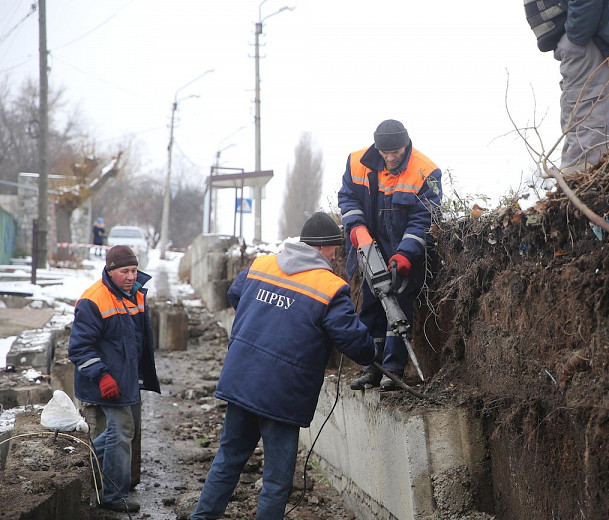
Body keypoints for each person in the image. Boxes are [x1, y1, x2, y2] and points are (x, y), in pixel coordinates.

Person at [190, 212, 377, 520]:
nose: (336, 254)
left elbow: (235, 294)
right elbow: (352, 341)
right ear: (324, 248)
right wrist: (373, 353)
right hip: (283, 395)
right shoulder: (330, 287)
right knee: (276, 482)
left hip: (242, 381)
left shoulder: (262, 265)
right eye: (335, 248)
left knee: (227, 461)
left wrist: (267, 320)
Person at [338, 119, 443, 391]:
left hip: (401, 249)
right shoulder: (356, 162)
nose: (390, 157)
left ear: (406, 144)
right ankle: (371, 368)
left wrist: (407, 254)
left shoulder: (426, 171)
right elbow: (347, 198)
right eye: (385, 153)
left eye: (395, 152)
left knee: (398, 306)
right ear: (377, 148)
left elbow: (425, 218)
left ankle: (393, 369)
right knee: (371, 309)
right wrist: (357, 228)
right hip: (369, 245)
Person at [68, 245, 160, 513]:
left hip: (126, 380)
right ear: (110, 270)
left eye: (134, 270)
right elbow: (79, 348)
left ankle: (80, 463)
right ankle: (112, 495)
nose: (131, 276)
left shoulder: (136, 295)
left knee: (119, 432)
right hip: (105, 382)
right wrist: (103, 376)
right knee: (122, 431)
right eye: (125, 271)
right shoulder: (94, 300)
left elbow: (138, 340)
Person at [524, 0, 609, 172]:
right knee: (581, 126)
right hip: (581, 37)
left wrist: (576, 35)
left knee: (584, 145)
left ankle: (577, 191)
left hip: (585, 40)